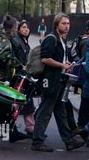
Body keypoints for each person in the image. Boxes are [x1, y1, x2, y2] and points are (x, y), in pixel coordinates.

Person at [31, 13, 85, 152]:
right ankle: (37, 141)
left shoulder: (60, 39)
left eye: (68, 24)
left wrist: (64, 63)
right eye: (63, 24)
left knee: (61, 112)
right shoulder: (51, 38)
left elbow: (55, 58)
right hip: (51, 80)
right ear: (57, 25)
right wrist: (62, 65)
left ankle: (69, 141)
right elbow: (45, 59)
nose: (67, 26)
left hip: (59, 80)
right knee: (45, 111)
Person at [12, 20, 36, 136]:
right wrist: (22, 67)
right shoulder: (17, 41)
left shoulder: (25, 42)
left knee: (27, 101)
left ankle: (30, 127)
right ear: (18, 29)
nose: (26, 29)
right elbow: (15, 58)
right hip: (19, 76)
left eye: (27, 27)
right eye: (23, 27)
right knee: (17, 102)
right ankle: (13, 126)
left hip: (24, 75)